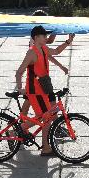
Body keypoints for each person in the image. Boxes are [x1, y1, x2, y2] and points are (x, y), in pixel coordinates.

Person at [15, 25, 74, 155]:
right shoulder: (32, 52)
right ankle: (45, 147)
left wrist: (68, 41)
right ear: (36, 37)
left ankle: (19, 130)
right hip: (35, 91)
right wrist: (20, 88)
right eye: (44, 35)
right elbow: (19, 72)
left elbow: (57, 51)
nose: (47, 37)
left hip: (43, 89)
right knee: (46, 118)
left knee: (45, 116)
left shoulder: (43, 48)